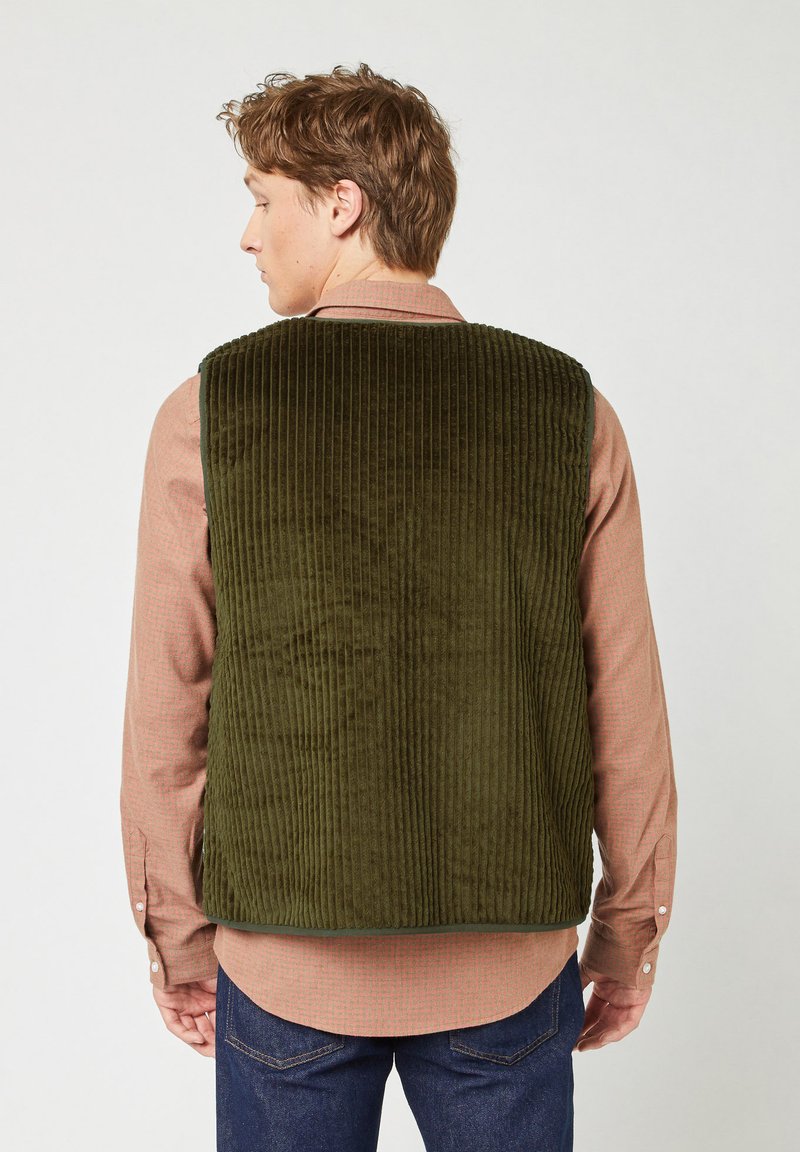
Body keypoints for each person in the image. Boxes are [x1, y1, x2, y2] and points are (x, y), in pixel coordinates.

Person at [120, 62, 678, 1152]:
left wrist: (176, 937)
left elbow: (166, 706)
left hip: (283, 963)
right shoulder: (567, 409)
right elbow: (625, 704)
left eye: (263, 199)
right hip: (507, 967)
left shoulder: (208, 410)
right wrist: (629, 930)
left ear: (342, 203)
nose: (247, 234)